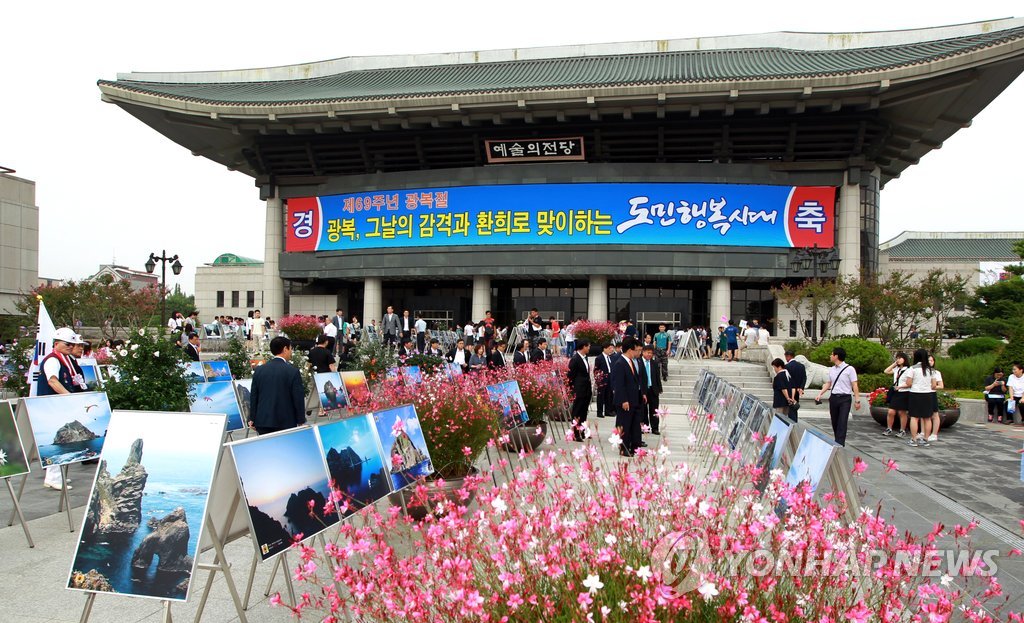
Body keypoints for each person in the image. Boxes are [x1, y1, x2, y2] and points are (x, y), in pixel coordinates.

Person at [37, 327, 85, 490]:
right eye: (67, 344)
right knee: (57, 442)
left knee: (62, 442)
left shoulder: (64, 360)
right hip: (51, 405)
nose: (71, 347)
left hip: (57, 405)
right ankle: (53, 477)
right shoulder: (52, 360)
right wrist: (69, 397)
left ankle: (55, 475)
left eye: (72, 344)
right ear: (56, 344)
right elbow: (53, 381)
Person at [249, 336, 306, 435]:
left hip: (263, 420)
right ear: (285, 349)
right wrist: (300, 419)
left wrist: (252, 418)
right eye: (290, 349)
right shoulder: (292, 371)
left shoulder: (259, 370)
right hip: (285, 421)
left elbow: (254, 396)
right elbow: (298, 397)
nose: (291, 352)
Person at [813, 346, 861, 446]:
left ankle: (840, 444)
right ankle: (837, 440)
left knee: (842, 421)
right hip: (834, 398)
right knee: (835, 422)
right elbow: (828, 383)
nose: (830, 356)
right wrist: (820, 394)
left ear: (836, 356)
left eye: (832, 354)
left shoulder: (850, 369)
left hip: (845, 399)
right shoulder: (832, 370)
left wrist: (857, 400)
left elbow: (854, 385)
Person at [611, 336, 645, 457]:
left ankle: (634, 447)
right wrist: (623, 400)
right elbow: (618, 384)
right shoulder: (620, 363)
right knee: (625, 425)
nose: (638, 353)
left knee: (634, 425)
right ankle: (623, 448)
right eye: (636, 350)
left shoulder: (630, 362)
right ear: (630, 350)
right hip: (625, 401)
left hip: (634, 400)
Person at [901, 349, 937, 447]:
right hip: (928, 395)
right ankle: (925, 439)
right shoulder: (931, 370)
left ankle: (913, 439)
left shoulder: (912, 368)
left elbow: (908, 383)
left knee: (914, 417)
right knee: (927, 418)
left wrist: (916, 384)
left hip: (915, 394)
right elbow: (934, 385)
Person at [566, 340, 592, 438]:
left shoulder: (585, 358)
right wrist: (572, 389)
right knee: (577, 411)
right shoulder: (575, 359)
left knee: (584, 411)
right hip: (579, 389)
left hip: (586, 389)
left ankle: (582, 430)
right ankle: (576, 433)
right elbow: (570, 376)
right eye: (588, 346)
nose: (589, 348)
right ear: (583, 347)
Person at [882, 352, 910, 437]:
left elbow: (909, 383)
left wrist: (900, 386)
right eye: (897, 358)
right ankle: (889, 428)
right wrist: (894, 364)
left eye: (900, 358)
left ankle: (902, 430)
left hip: (904, 392)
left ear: (904, 359)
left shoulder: (908, 370)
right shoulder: (897, 369)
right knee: (891, 412)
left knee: (902, 412)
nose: (898, 360)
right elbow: (886, 371)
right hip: (895, 392)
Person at [640, 345, 663, 435]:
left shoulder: (654, 363)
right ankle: (645, 427)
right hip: (643, 390)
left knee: (654, 410)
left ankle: (655, 428)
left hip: (653, 389)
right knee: (643, 410)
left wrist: (659, 388)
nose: (650, 355)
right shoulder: (639, 362)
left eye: (651, 353)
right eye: (648, 352)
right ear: (643, 352)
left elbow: (657, 377)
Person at [783, 350, 806, 422]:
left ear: (788, 356)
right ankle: (794, 421)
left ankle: (791, 423)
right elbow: (804, 378)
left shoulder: (787, 367)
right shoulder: (801, 366)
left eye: (786, 357)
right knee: (794, 407)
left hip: (789, 390)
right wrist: (801, 387)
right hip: (797, 390)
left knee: (789, 408)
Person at [594, 343, 615, 419]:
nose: (611, 350)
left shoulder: (610, 357)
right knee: (601, 396)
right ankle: (599, 412)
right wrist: (598, 380)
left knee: (608, 395)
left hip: (609, 378)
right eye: (609, 348)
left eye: (612, 348)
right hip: (602, 379)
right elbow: (596, 370)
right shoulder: (599, 358)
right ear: (604, 349)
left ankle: (607, 411)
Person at [927, 354, 943, 442]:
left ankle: (934, 434)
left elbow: (941, 386)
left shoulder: (936, 373)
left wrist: (933, 387)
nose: (930, 362)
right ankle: (923, 432)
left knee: (935, 415)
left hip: (932, 394)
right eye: (928, 360)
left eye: (932, 360)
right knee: (923, 415)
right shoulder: (922, 371)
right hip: (923, 394)